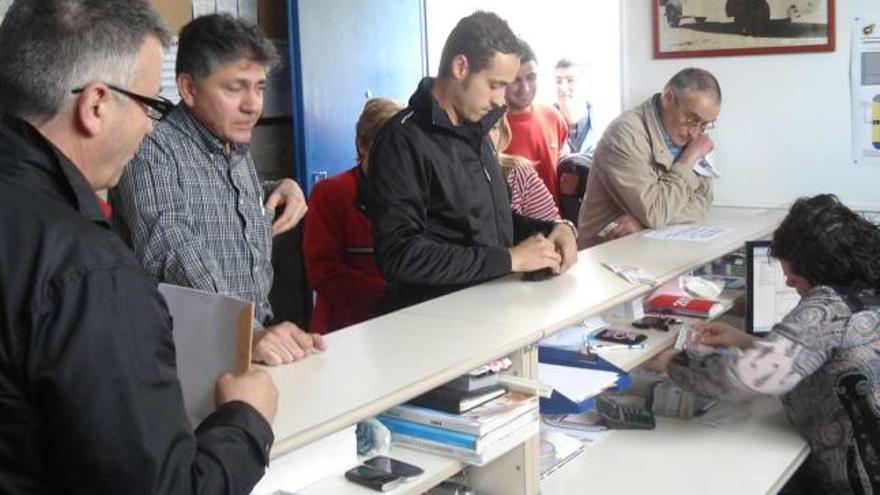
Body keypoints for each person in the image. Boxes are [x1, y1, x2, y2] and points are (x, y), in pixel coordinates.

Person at [0, 1, 278, 492]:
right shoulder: (89, 271)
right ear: (97, 105)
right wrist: (247, 420)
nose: (151, 126)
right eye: (150, 105)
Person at [114, 14, 324, 365]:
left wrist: (279, 188)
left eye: (259, 87)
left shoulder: (233, 147)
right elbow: (170, 243)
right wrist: (245, 331)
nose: (253, 104)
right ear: (189, 89)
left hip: (249, 346)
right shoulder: (152, 146)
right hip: (183, 357)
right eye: (235, 88)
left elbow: (222, 196)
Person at [649, 194, 880, 494]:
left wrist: (671, 361)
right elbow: (832, 353)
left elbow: (743, 379)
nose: (788, 285)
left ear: (820, 270)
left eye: (793, 279)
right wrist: (745, 341)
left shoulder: (829, 307)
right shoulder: (868, 289)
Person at [368, 11, 578, 312]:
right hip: (430, 323)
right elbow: (400, 255)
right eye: (495, 85)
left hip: (488, 312)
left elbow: (492, 226)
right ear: (460, 66)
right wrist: (509, 259)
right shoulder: (402, 141)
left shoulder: (477, 133)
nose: (501, 100)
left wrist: (555, 229)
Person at [576, 67, 719, 248]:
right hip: (606, 254)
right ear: (668, 98)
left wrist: (644, 222)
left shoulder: (689, 135)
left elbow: (703, 201)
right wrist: (689, 158)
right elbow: (655, 212)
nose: (695, 133)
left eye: (705, 124)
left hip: (652, 249)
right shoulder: (624, 134)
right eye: (691, 119)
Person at [304, 98, 402, 334]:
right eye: (387, 147)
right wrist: (392, 297)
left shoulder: (414, 191)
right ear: (363, 146)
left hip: (401, 323)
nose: (398, 157)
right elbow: (323, 272)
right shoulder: (331, 192)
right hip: (345, 329)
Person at [504, 39, 568, 206]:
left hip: (558, 226)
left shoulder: (553, 117)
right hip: (517, 228)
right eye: (515, 80)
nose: (525, 88)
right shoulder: (493, 128)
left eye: (531, 77)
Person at [490, 112, 560, 221]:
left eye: (494, 127)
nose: (487, 138)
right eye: (474, 127)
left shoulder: (518, 174)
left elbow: (555, 231)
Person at [554, 58, 598, 158]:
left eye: (570, 80)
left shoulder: (605, 127)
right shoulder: (542, 126)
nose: (563, 88)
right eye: (558, 81)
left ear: (587, 84)